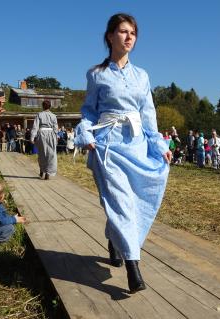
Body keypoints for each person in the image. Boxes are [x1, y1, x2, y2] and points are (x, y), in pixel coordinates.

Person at [74, 13, 171, 294]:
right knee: (119, 200)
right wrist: (86, 133)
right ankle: (133, 267)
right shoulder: (97, 74)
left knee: (133, 199)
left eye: (133, 33)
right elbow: (90, 110)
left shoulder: (142, 76)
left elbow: (148, 115)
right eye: (123, 32)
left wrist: (159, 146)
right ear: (110, 36)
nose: (129, 37)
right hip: (108, 145)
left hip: (137, 144)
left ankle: (114, 239)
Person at [31, 100, 58, 180]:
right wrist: (56, 137)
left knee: (42, 154)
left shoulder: (39, 114)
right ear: (50, 107)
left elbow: (35, 126)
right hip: (51, 135)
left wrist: (32, 137)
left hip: (42, 134)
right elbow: (55, 128)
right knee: (50, 154)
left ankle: (42, 171)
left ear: (43, 106)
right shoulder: (53, 116)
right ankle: (47, 173)